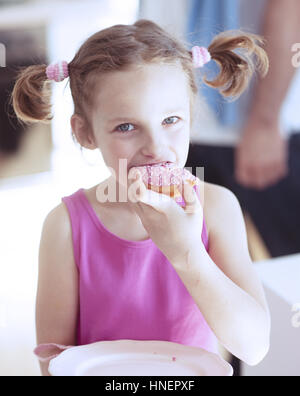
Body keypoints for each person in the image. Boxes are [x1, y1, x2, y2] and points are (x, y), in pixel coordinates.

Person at [11, 19, 270, 376]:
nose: (155, 147)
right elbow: (54, 363)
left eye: (171, 120)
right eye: (126, 127)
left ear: (191, 115)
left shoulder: (218, 207)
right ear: (85, 132)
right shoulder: (65, 227)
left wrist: (187, 254)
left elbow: (254, 347)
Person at [185, 0, 300, 257]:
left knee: (288, 268)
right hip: (180, 125)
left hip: (257, 129)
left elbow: (289, 8)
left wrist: (265, 121)